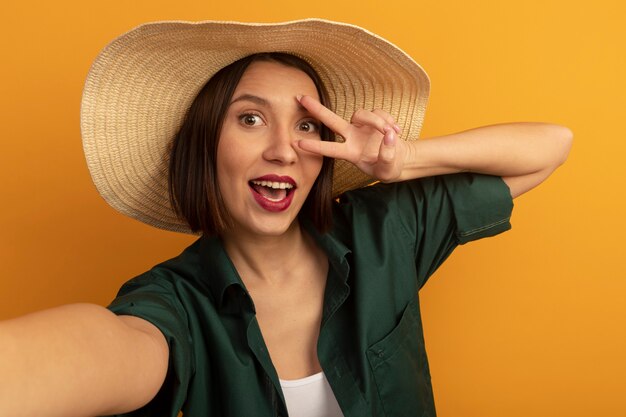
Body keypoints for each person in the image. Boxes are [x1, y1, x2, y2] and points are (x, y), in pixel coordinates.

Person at [0, 19, 572, 417]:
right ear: (206, 145)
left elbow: (551, 145)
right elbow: (113, 346)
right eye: (250, 120)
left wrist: (403, 161)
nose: (284, 150)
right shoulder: (175, 304)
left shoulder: (380, 233)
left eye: (306, 126)